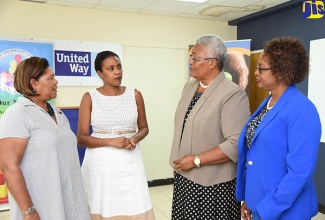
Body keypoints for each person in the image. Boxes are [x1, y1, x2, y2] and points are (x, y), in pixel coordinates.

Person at [236, 37, 322, 220]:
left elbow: (300, 173)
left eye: (261, 68)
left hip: (284, 209)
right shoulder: (267, 103)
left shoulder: (302, 109)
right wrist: (249, 200)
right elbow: (256, 155)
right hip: (260, 201)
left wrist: (267, 208)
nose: (255, 72)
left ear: (282, 71)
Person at [169, 34, 250, 219]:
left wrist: (196, 160)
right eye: (191, 57)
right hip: (184, 178)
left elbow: (235, 143)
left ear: (213, 62)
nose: (190, 62)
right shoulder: (190, 87)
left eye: (195, 57)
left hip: (213, 186)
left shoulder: (232, 94)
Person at [0, 57, 90, 220]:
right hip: (42, 207)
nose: (56, 82)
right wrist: (28, 211)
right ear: (33, 83)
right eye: (50, 78)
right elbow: (9, 166)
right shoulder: (17, 115)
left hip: (71, 204)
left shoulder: (58, 113)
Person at [77, 50, 155, 219]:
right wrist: (111, 141)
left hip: (130, 163)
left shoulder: (134, 94)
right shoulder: (89, 97)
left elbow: (144, 128)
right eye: (111, 68)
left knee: (134, 206)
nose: (117, 72)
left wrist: (134, 139)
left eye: (119, 67)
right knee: (103, 207)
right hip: (100, 165)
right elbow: (82, 138)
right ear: (100, 73)